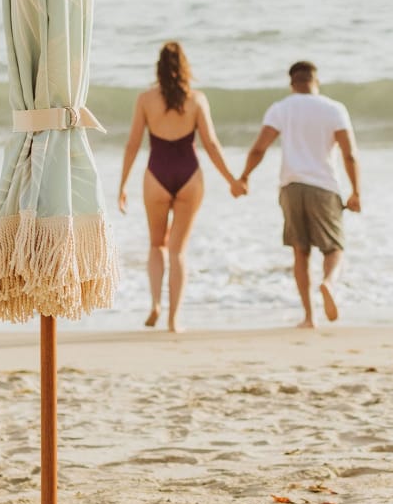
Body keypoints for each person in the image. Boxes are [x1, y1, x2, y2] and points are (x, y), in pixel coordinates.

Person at [119, 42, 245, 332]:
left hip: (156, 177)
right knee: (177, 251)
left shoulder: (145, 99)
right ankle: (174, 320)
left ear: (158, 68)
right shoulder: (197, 99)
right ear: (185, 66)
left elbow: (133, 144)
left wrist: (122, 185)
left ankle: (154, 305)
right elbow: (211, 144)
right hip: (190, 176)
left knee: (156, 245)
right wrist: (232, 181)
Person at [238, 61, 361, 328]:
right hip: (325, 186)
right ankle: (328, 283)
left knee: (300, 252)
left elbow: (259, 148)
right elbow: (349, 154)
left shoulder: (281, 109)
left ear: (292, 82)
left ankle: (309, 317)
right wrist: (355, 192)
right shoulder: (334, 109)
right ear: (316, 81)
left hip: (291, 186)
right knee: (334, 247)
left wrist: (244, 176)